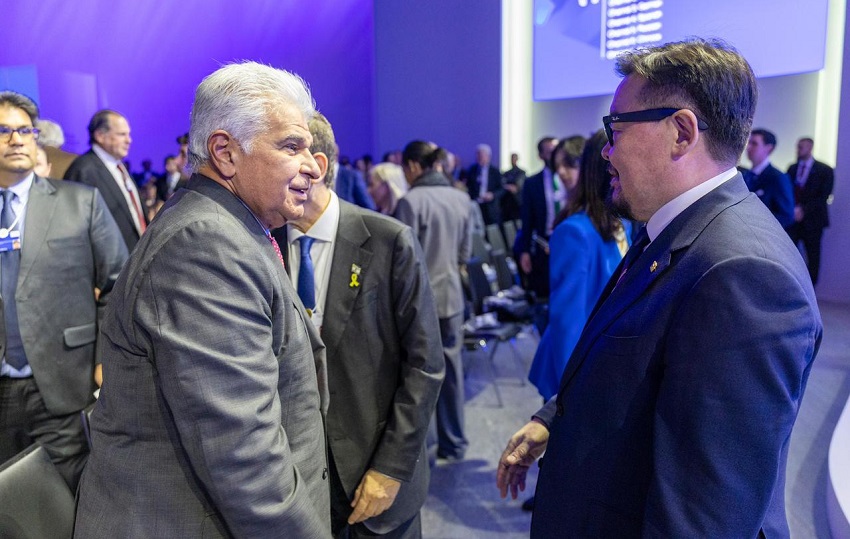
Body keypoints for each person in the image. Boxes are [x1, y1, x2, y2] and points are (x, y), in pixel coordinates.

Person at [497, 38, 822, 538]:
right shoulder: (680, 227)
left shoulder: (742, 273)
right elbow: (633, 363)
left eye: (616, 128)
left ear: (681, 132)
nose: (606, 150)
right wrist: (550, 417)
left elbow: (702, 514)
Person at [74, 62, 331, 538]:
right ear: (225, 152)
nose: (313, 166)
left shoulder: (228, 227)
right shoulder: (205, 245)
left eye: (311, 149)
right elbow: (244, 459)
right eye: (292, 146)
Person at [274, 113, 444, 538]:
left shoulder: (389, 240)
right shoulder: (264, 245)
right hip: (299, 485)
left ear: (316, 166)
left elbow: (425, 366)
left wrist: (390, 468)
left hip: (377, 477)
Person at [0, 92, 128, 491]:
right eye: (4, 130)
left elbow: (119, 284)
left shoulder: (80, 203)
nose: (17, 139)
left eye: (25, 130)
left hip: (63, 382)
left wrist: (104, 360)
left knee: (71, 499)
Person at [527, 131, 628, 402]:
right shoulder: (574, 231)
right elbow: (566, 321)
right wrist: (568, 395)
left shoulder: (624, 223)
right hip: (574, 368)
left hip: (601, 362)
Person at [395, 141, 472, 461]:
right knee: (452, 372)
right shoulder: (461, 198)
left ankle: (423, 449)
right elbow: (465, 254)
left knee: (420, 377)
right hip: (452, 296)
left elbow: (404, 262)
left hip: (420, 302)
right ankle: (454, 442)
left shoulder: (410, 202)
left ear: (413, 166)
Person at [64, 109, 148, 251]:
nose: (129, 140)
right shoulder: (84, 169)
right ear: (100, 136)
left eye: (128, 134)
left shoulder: (119, 166)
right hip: (111, 263)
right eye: (122, 134)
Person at [518, 136, 561, 301]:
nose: (554, 156)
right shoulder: (532, 183)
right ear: (541, 156)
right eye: (550, 152)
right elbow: (527, 220)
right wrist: (525, 251)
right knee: (545, 292)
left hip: (567, 240)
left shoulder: (570, 179)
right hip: (544, 243)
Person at [787, 137, 834, 285]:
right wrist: (793, 210)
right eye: (798, 146)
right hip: (793, 221)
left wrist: (804, 210)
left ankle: (811, 290)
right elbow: (787, 192)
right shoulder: (792, 168)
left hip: (813, 221)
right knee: (789, 254)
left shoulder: (825, 170)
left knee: (813, 256)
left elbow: (823, 196)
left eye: (802, 147)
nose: (798, 150)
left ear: (810, 148)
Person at [744, 128, 795, 229]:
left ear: (769, 148)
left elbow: (787, 216)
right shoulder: (745, 175)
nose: (748, 147)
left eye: (754, 144)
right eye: (748, 143)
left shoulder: (778, 178)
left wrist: (757, 225)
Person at [464, 143, 504, 225]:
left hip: (490, 207)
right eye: (477, 155)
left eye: (481, 155)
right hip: (476, 205)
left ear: (488, 156)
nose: (479, 158)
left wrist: (492, 195)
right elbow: (468, 186)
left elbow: (501, 189)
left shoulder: (495, 171)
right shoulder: (472, 170)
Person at [501, 152, 525, 222]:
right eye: (511, 159)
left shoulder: (521, 172)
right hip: (506, 201)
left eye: (514, 158)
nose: (513, 160)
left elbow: (518, 186)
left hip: (517, 201)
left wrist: (512, 187)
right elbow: (502, 183)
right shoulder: (506, 173)